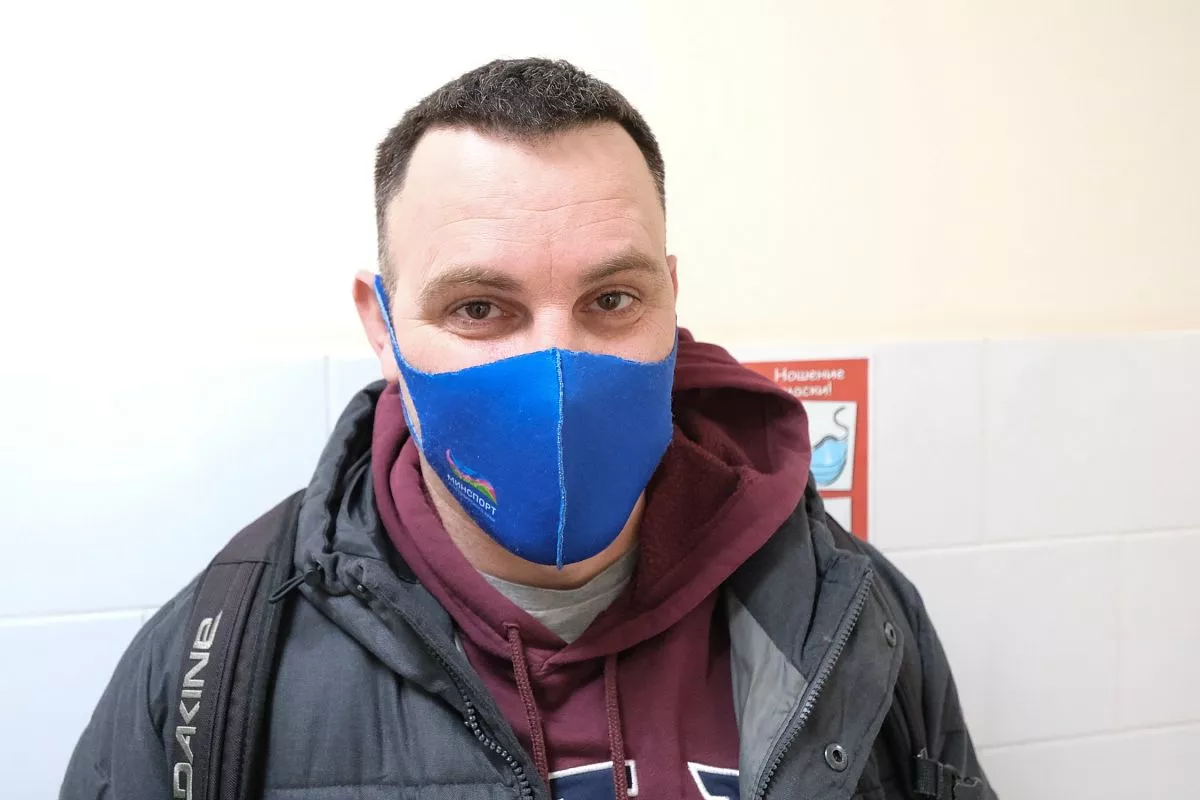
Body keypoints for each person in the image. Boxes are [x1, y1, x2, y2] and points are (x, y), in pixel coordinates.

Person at [62, 58, 994, 800]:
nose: (559, 370)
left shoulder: (849, 615)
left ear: (671, 298)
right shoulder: (215, 665)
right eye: (478, 308)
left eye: (612, 299)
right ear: (383, 328)